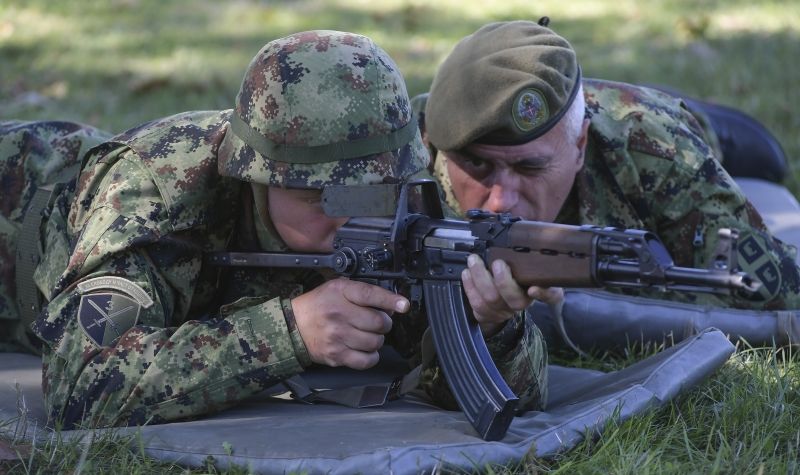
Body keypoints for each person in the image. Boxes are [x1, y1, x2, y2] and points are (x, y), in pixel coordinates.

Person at [0, 30, 547, 429]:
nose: (348, 217)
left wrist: (490, 325)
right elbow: (79, 385)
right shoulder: (157, 193)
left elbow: (502, 391)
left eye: (368, 193)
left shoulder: (402, 202)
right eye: (317, 196)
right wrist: (289, 331)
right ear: (254, 178)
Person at [414, 19, 800, 317]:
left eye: (530, 168)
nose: (500, 201)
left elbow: (774, 287)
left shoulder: (658, 150)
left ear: (580, 146)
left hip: (665, 124)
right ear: (436, 142)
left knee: (768, 158)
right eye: (477, 164)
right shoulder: (411, 149)